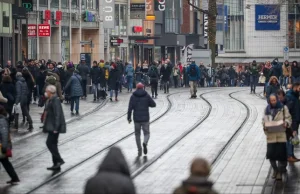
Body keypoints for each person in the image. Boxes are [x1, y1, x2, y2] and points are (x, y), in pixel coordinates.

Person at [263, 94, 291, 180]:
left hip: (280, 135)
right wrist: (265, 126)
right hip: (271, 136)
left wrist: (286, 123)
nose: (273, 102)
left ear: (277, 100)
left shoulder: (283, 108)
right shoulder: (267, 109)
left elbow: (288, 118)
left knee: (281, 156)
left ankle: (280, 171)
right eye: (272, 100)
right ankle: (275, 170)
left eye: (274, 100)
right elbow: (263, 120)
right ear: (269, 101)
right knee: (271, 155)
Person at [127, 83, 156, 156]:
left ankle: (139, 150)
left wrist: (129, 118)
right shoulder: (146, 95)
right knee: (147, 133)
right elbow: (153, 104)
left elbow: (130, 108)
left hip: (136, 119)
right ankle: (145, 143)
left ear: (136, 88)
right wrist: (147, 104)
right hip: (145, 119)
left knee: (137, 134)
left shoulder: (133, 96)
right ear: (143, 88)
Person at [43, 85, 66, 170]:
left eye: (47, 91)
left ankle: (59, 160)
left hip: (54, 127)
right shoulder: (51, 100)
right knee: (53, 144)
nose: (46, 93)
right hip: (51, 126)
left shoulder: (55, 100)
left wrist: (56, 128)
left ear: (50, 92)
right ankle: (56, 164)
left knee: (49, 143)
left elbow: (58, 114)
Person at [0, 105, 20, 184]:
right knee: (5, 162)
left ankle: (15, 178)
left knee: (5, 162)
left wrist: (4, 147)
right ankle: (14, 178)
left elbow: (4, 134)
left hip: (2, 146)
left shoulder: (1, 121)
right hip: (2, 145)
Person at [285, 83, 300, 162]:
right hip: (292, 121)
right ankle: (289, 155)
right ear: (296, 87)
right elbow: (289, 109)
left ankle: (291, 155)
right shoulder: (290, 96)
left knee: (293, 137)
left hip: (295, 120)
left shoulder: (295, 95)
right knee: (291, 137)